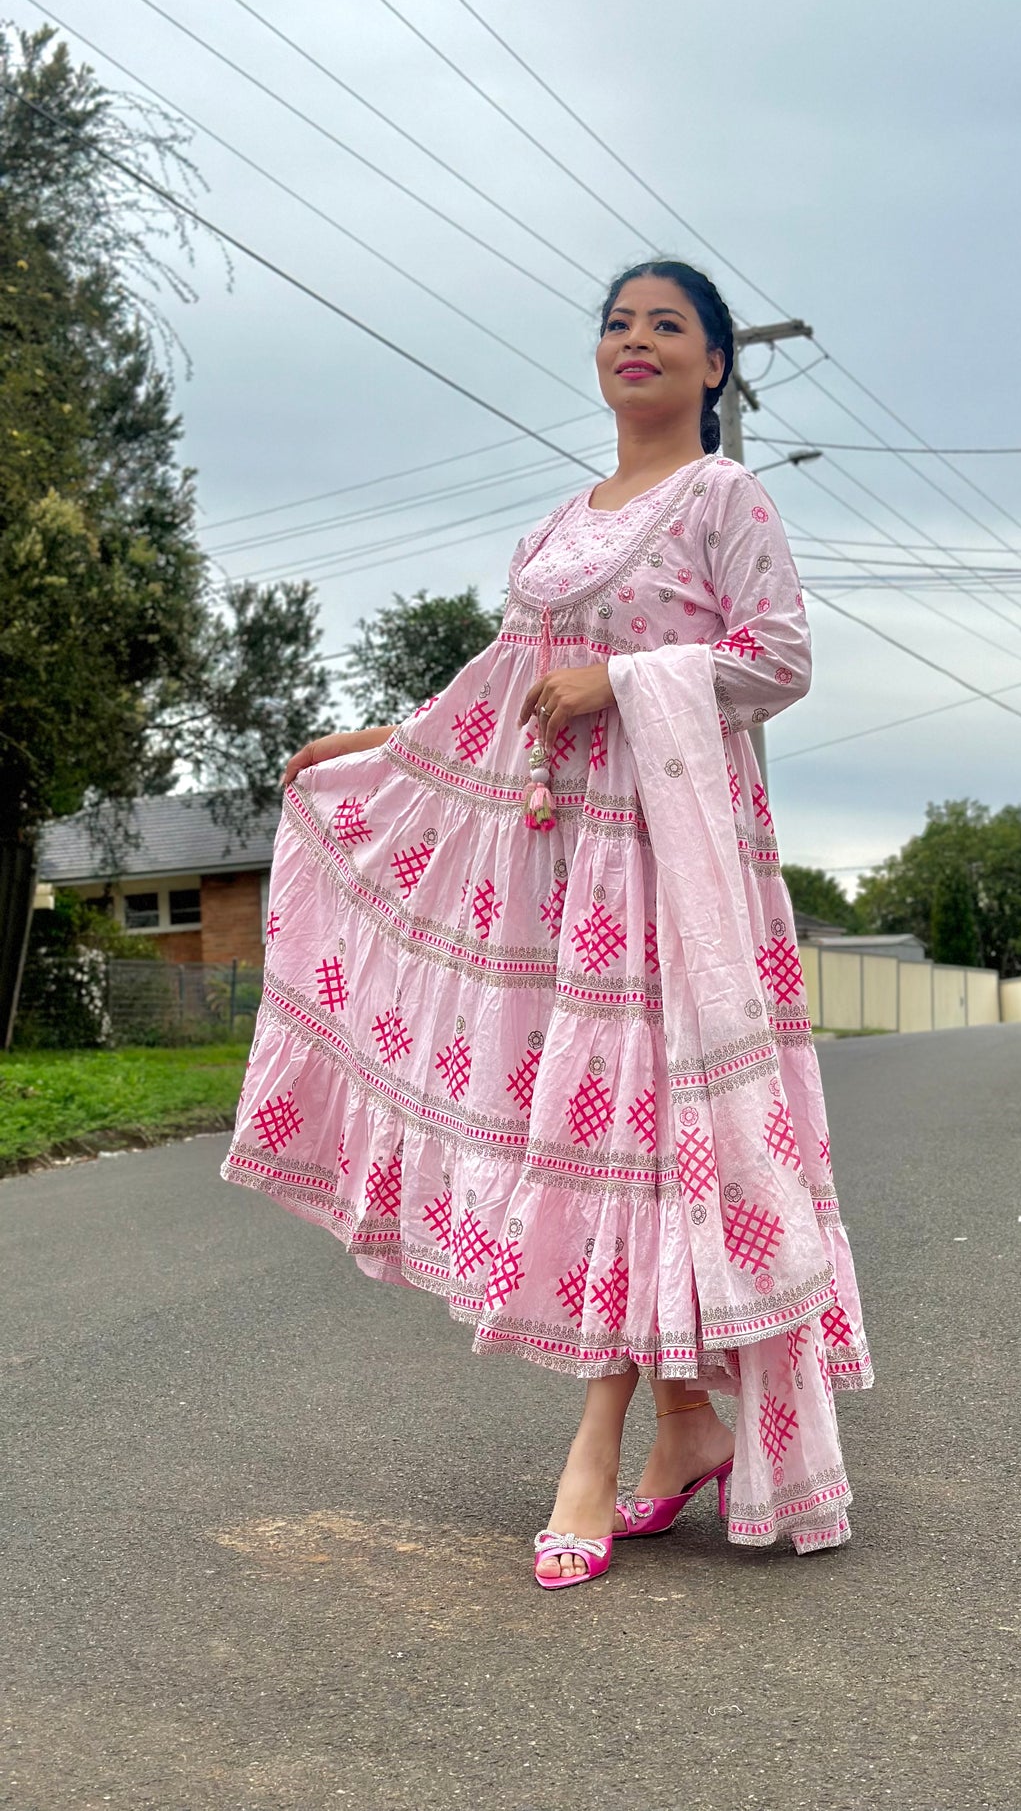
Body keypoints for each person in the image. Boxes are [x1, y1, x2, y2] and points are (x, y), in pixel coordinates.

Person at [224, 258, 872, 1589]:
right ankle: (681, 1423)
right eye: (617, 324)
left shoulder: (721, 496)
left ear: (715, 367)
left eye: (668, 326)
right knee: (595, 1140)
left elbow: (778, 659)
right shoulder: (559, 527)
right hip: (561, 881)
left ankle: (602, 1449)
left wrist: (624, 682)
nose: (636, 342)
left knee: (636, 1139)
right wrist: (382, 750)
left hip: (676, 874)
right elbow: (508, 687)